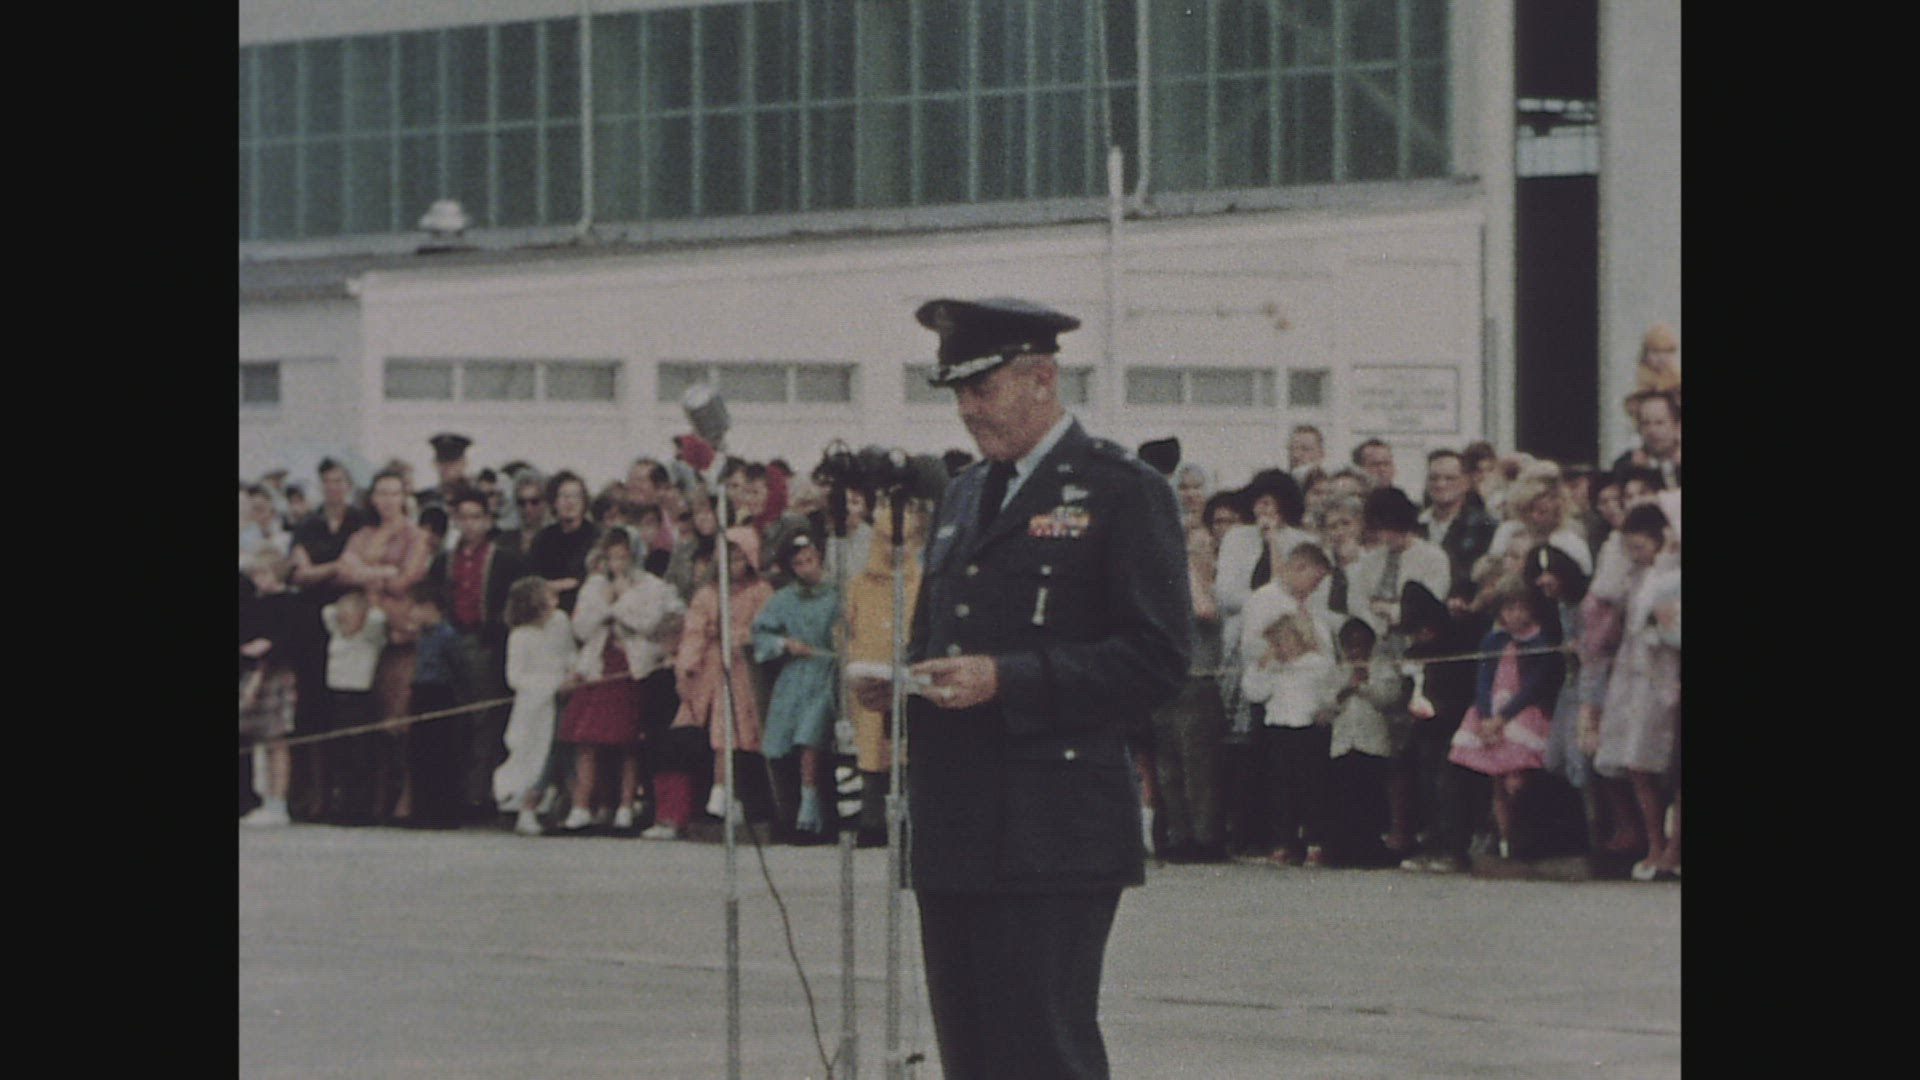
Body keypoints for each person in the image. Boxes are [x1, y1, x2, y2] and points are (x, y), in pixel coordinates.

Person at [853, 296, 1189, 1080]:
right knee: (970, 1056)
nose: (969, 410)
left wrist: (1008, 679)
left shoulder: (1120, 490)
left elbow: (1157, 657)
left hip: (1053, 826)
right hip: (956, 821)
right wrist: (905, 687)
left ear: (1043, 378)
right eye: (959, 393)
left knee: (1041, 1051)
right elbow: (940, 637)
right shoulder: (965, 493)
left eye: (984, 388)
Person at [558, 528, 686, 832]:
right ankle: (582, 806)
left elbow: (649, 623)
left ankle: (625, 807)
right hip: (598, 665)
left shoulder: (652, 586)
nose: (617, 563)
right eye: (612, 556)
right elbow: (581, 627)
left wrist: (620, 603)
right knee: (587, 740)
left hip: (633, 667)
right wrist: (606, 604)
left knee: (628, 742)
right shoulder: (594, 585)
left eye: (623, 556)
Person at [1586, 501, 1681, 881]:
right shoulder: (1635, 576)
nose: (1635, 554)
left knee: (1667, 763)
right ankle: (1653, 844)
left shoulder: (1672, 576)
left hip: (1666, 673)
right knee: (1634, 763)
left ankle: (1671, 850)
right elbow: (1607, 596)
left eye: (1640, 546)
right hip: (1633, 673)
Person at [336, 467, 435, 822]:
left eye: (395, 493)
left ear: (404, 497)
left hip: (399, 630)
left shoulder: (416, 536)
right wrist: (381, 572)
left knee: (399, 717)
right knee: (369, 714)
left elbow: (406, 578)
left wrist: (367, 573)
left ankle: (404, 797)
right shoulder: (363, 534)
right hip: (365, 634)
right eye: (382, 493)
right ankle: (372, 799)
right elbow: (343, 571)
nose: (388, 500)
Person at [1445, 577, 1565, 859]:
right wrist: (1486, 716)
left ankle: (1524, 836)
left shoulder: (1540, 642)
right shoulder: (1493, 641)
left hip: (1522, 712)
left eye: (1521, 608)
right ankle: (1505, 841)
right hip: (1491, 712)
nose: (1515, 615)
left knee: (1518, 778)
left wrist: (1504, 716)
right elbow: (1483, 680)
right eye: (1509, 609)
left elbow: (1534, 686)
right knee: (1497, 780)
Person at [426, 488, 524, 821]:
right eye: (463, 517)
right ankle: (454, 793)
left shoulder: (504, 559)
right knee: (456, 718)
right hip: (451, 641)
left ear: (487, 520)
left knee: (485, 719)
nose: (469, 524)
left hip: (485, 643)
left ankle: (479, 794)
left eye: (476, 517)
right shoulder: (444, 561)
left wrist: (495, 629)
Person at [668, 527, 775, 831]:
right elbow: (694, 633)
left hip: (748, 671)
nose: (733, 564)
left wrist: (735, 635)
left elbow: (765, 628)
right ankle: (719, 792)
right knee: (721, 730)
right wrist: (687, 667)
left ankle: (747, 798)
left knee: (747, 731)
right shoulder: (708, 594)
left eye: (739, 558)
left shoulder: (761, 592)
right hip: (715, 671)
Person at [750, 531, 841, 838]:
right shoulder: (784, 599)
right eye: (799, 563)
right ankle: (792, 811)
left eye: (810, 560)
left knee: (810, 736)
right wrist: (785, 643)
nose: (806, 568)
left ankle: (811, 807)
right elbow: (760, 632)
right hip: (797, 675)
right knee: (782, 741)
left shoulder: (838, 593)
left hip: (828, 673)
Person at [1238, 610, 1337, 866]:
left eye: (1283, 640)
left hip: (1307, 730)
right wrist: (1262, 667)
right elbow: (1255, 693)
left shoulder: (1317, 664)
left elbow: (1329, 694)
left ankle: (1315, 842)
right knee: (1280, 790)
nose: (1279, 646)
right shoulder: (1273, 668)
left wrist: (1325, 710)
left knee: (1312, 789)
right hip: (1279, 729)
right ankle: (1283, 841)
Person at [1320, 616, 1412, 866]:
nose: (1356, 652)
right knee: (1344, 801)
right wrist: (1347, 688)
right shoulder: (1336, 671)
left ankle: (1369, 851)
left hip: (1372, 744)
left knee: (1369, 800)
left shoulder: (1382, 668)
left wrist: (1365, 685)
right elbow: (1326, 705)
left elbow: (1389, 698)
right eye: (1350, 646)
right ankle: (1342, 852)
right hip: (1343, 744)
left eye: (1361, 645)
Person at [496, 575, 579, 835]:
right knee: (538, 756)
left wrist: (573, 674)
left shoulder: (560, 622)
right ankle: (527, 809)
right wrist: (552, 685)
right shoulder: (520, 636)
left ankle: (572, 806)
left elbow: (570, 652)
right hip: (536, 708)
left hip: (565, 699)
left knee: (566, 751)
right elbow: (515, 677)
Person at [239, 550, 303, 827]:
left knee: (276, 740)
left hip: (275, 674)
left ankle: (278, 803)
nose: (257, 579)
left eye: (262, 573)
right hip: (254, 672)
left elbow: (286, 640)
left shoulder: (289, 603)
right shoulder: (256, 603)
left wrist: (267, 649)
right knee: (256, 739)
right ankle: (264, 798)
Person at [402, 582, 472, 829]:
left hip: (440, 693)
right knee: (419, 752)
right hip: (421, 691)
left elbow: (459, 668)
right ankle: (422, 810)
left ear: (430, 607)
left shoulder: (448, 636)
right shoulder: (423, 636)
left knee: (441, 754)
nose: (411, 613)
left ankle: (444, 813)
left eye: (415, 607)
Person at [319, 588, 389, 826]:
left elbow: (378, 617)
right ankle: (342, 805)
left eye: (349, 616)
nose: (344, 620)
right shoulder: (337, 634)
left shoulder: (369, 637)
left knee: (360, 755)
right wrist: (343, 606)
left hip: (360, 698)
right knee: (340, 755)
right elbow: (327, 612)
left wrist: (368, 601)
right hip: (337, 697)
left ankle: (361, 808)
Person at [1347, 487, 1452, 636]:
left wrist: (1389, 610)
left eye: (1391, 529)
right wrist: (1376, 625)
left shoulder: (1434, 557)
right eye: (1380, 530)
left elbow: (1430, 604)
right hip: (1375, 636)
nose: (1384, 536)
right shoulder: (1370, 561)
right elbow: (1356, 602)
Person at [1488, 461, 1595, 578]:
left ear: (1557, 509)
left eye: (1542, 511)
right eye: (1529, 510)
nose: (1534, 517)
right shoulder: (1508, 531)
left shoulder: (1569, 542)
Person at [1420, 449, 1499, 607]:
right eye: (1434, 478)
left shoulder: (1485, 526)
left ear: (1467, 482)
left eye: (1450, 478)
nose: (1440, 484)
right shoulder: (1414, 524)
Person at [528, 470, 600, 614]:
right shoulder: (543, 538)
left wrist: (560, 585)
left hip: (584, 608)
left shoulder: (596, 537)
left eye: (575, 496)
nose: (570, 502)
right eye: (564, 496)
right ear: (554, 502)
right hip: (547, 608)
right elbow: (532, 577)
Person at [1610, 389, 1682, 489]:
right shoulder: (1626, 466)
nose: (1652, 430)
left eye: (1659, 423)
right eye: (1645, 423)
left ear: (1677, 426)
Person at [415, 432, 473, 520]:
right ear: (435, 463)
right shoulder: (424, 499)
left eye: (453, 462)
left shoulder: (476, 497)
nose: (447, 467)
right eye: (443, 461)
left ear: (464, 463)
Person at [239, 484, 293, 569]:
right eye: (253, 510)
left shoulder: (286, 530)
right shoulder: (244, 536)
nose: (258, 515)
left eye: (261, 509)